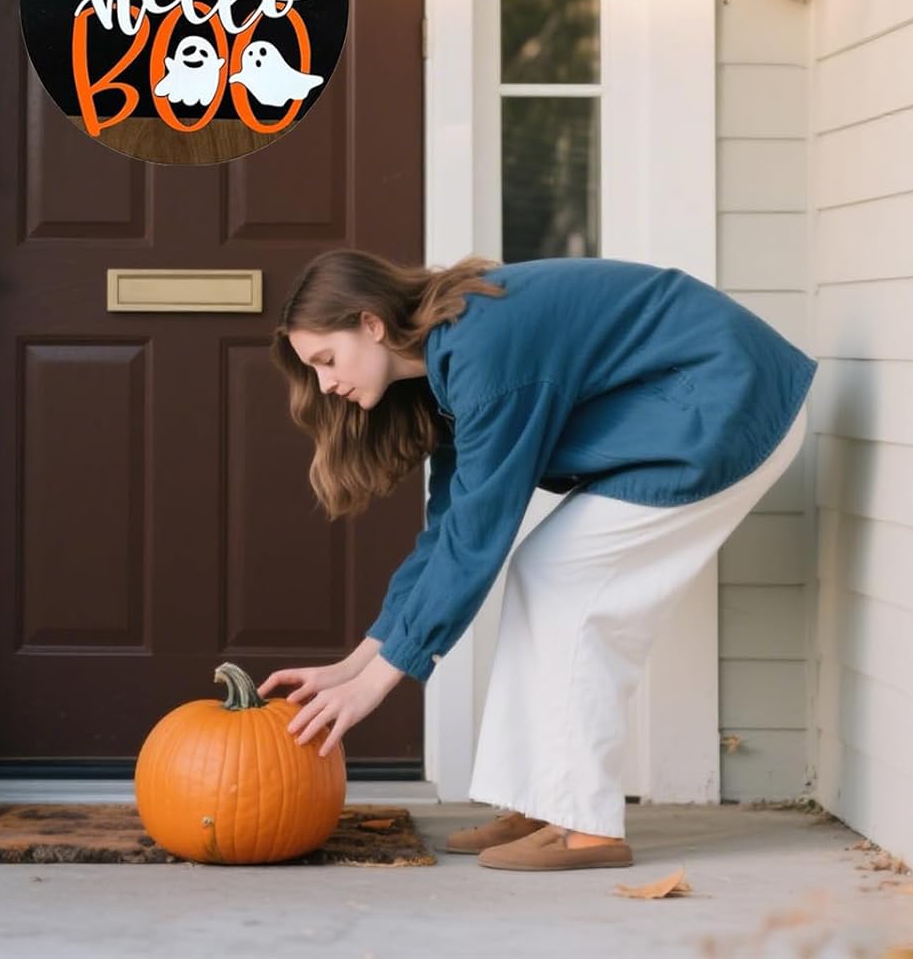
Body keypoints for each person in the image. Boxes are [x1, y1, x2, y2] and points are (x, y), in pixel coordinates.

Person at [262, 250, 816, 872]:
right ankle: (540, 802)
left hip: (726, 401)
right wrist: (358, 660)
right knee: (542, 572)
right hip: (692, 403)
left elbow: (479, 534)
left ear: (369, 324)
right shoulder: (447, 363)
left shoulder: (482, 349)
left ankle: (585, 826)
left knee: (565, 581)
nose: (324, 385)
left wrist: (379, 682)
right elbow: (450, 526)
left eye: (325, 361)